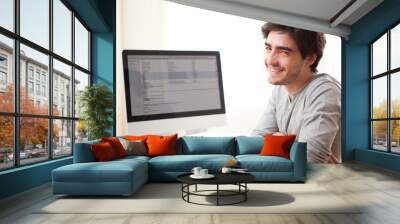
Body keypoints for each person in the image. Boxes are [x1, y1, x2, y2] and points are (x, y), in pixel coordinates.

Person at [251, 23, 341, 163]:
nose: (270, 60)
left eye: (283, 52)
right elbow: (252, 145)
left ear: (310, 58)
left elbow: (308, 160)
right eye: (269, 48)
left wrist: (278, 141)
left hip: (319, 183)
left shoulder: (325, 91)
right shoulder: (280, 89)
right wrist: (285, 144)